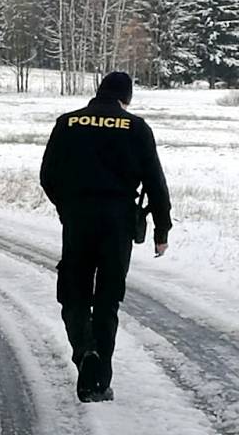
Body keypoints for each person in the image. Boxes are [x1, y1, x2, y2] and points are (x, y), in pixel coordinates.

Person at [40, 71, 172, 403]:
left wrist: (66, 207)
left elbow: (48, 175)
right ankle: (98, 380)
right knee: (107, 300)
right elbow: (155, 182)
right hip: (118, 223)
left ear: (98, 92)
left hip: (78, 220)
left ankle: (84, 351)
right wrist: (161, 229)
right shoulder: (137, 128)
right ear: (125, 97)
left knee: (74, 293)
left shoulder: (67, 123)